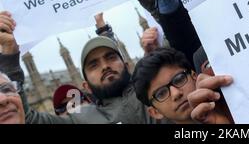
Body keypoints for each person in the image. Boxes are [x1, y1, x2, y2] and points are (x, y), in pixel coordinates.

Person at [0, 13, 158, 123]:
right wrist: (9, 56)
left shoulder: (158, 90)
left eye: (110, 58)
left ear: (127, 66)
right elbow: (26, 119)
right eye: (93, 65)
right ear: (86, 86)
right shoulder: (81, 120)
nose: (105, 66)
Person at [132, 47, 232, 124]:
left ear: (194, 76)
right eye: (161, 93)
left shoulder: (234, 100)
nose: (176, 94)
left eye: (179, 79)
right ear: (155, 112)